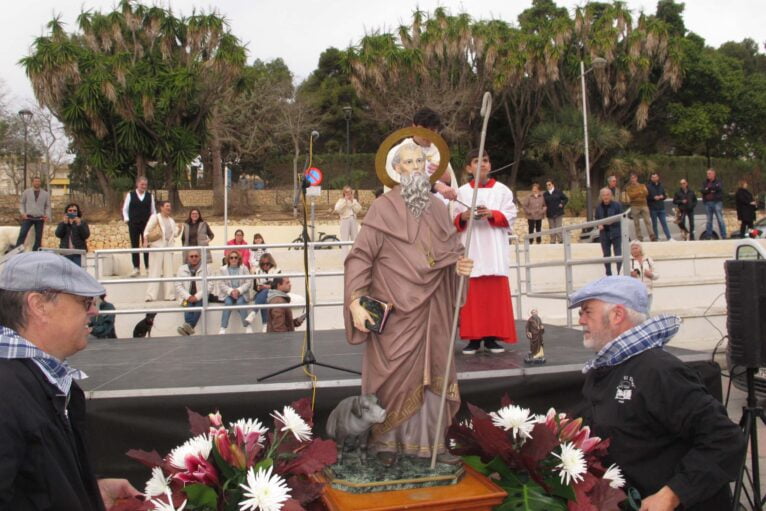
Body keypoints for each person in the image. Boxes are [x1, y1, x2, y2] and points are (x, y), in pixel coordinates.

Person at [345, 141, 473, 466]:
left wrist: (460, 268)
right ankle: (386, 443)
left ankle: (432, 444)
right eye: (409, 161)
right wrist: (355, 301)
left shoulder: (440, 208)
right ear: (397, 169)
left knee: (436, 373)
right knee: (393, 377)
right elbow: (360, 257)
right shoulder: (382, 208)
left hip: (435, 309)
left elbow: (452, 252)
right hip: (397, 311)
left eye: (421, 160)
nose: (416, 166)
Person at [569, 276, 745, 511]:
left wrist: (673, 493)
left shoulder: (660, 371)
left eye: (587, 311)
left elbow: (725, 439)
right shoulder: (605, 369)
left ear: (617, 315)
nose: (580, 319)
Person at [0, 252, 141, 509]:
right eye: (85, 302)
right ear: (39, 306)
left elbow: (33, 484)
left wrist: (88, 491)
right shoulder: (7, 392)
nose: (94, 311)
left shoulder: (47, 382)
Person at [453, 149, 518, 355]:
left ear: (490, 165)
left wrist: (492, 214)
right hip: (471, 248)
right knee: (471, 295)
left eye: (486, 161)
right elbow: (451, 219)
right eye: (476, 161)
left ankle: (491, 338)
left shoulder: (502, 191)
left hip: (494, 249)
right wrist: (463, 216)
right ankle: (473, 338)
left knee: (493, 297)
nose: (482, 164)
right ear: (468, 167)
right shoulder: (461, 192)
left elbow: (511, 215)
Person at [385, 107, 458, 205]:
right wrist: (434, 185)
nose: (427, 135)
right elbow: (397, 183)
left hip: (437, 213)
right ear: (413, 127)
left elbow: (453, 188)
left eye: (432, 130)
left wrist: (448, 179)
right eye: (423, 130)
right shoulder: (398, 152)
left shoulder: (439, 153)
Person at [143, 201, 178, 302]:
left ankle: (170, 295)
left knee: (169, 272)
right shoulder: (155, 217)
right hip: (157, 247)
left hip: (168, 248)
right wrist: (145, 241)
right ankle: (150, 296)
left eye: (170, 206)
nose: (169, 208)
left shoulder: (171, 220)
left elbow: (174, 234)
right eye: (167, 206)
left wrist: (179, 229)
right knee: (154, 271)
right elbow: (147, 230)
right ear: (161, 208)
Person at [122, 176, 155, 276]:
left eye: (145, 185)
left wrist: (153, 222)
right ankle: (136, 267)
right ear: (137, 184)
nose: (144, 186)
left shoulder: (150, 196)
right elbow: (125, 209)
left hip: (146, 224)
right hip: (134, 224)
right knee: (134, 245)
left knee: (146, 245)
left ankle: (148, 267)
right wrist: (127, 220)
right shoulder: (130, 195)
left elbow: (153, 211)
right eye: (142, 184)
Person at [175, 249, 211, 336]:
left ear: (200, 257)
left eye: (196, 256)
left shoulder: (207, 268)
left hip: (201, 296)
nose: (194, 258)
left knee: (198, 304)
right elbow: (178, 285)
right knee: (189, 306)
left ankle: (187, 328)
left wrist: (197, 297)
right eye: (191, 256)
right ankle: (189, 329)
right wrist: (188, 297)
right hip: (187, 297)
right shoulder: (181, 269)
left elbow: (210, 285)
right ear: (188, 258)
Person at [217, 250, 253, 334]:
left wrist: (238, 290)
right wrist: (231, 291)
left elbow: (249, 282)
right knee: (228, 303)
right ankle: (223, 328)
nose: (233, 259)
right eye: (231, 257)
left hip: (241, 293)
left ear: (239, 259)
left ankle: (247, 325)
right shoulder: (222, 269)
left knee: (240, 302)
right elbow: (221, 284)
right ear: (228, 259)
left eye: (235, 257)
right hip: (228, 293)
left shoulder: (244, 268)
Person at [15, 176, 52, 252]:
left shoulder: (45, 194)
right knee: (22, 233)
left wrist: (47, 215)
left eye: (38, 181)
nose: (37, 183)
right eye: (35, 181)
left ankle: (36, 251)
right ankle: (17, 250)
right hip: (28, 217)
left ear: (40, 182)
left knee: (38, 237)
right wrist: (23, 213)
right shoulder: (26, 192)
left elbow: (47, 206)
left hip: (40, 218)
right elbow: (21, 203)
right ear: (33, 182)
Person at [595, 188, 623, 276]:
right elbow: (596, 218)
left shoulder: (617, 205)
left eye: (607, 195)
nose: (606, 197)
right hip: (604, 234)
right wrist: (598, 225)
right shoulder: (598, 207)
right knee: (606, 254)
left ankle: (620, 273)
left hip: (616, 233)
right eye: (603, 195)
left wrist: (613, 221)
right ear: (601, 197)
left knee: (618, 254)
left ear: (611, 196)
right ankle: (608, 274)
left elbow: (622, 217)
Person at [249, 252, 281, 325]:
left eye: (267, 264)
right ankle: (265, 325)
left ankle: (254, 312)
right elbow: (254, 287)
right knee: (264, 297)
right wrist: (258, 287)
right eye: (263, 264)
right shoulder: (257, 271)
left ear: (271, 263)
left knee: (265, 295)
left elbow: (278, 284)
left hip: (274, 293)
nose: (265, 266)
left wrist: (267, 286)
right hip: (260, 294)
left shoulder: (277, 270)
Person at [54, 202, 90, 267]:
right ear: (66, 212)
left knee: (78, 273)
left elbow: (86, 235)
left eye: (74, 211)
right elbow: (58, 234)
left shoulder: (82, 223)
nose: (72, 212)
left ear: (77, 212)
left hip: (78, 253)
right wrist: (64, 224)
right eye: (70, 210)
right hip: (65, 253)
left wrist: (79, 225)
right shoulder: (62, 223)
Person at [624, 172, 656, 242]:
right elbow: (631, 196)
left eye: (634, 178)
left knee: (647, 221)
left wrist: (638, 194)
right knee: (636, 223)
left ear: (636, 178)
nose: (633, 180)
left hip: (644, 205)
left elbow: (646, 193)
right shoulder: (629, 188)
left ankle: (652, 236)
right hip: (634, 206)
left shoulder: (642, 185)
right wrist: (639, 193)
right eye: (631, 178)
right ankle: (640, 237)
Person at [628, 240, 658, 312]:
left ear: (640, 249)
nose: (634, 250)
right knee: (637, 313)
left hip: (647, 291)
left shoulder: (648, 260)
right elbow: (621, 276)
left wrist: (651, 275)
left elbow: (657, 275)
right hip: (634, 292)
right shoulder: (628, 261)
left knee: (646, 313)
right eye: (633, 249)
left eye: (636, 248)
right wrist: (630, 274)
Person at [334, 186, 363, 257]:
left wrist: (352, 202)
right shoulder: (341, 200)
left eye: (349, 192)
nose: (348, 193)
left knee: (355, 240)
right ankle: (345, 258)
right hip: (344, 220)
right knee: (345, 240)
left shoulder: (354, 201)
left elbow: (358, 209)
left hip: (353, 220)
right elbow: (337, 209)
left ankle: (355, 257)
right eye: (346, 192)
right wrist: (345, 201)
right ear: (344, 193)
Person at [700, 168, 726, 239]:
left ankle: (724, 235)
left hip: (717, 202)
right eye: (707, 174)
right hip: (708, 203)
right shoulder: (705, 182)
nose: (708, 175)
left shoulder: (718, 181)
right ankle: (709, 236)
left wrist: (708, 189)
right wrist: (711, 190)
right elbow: (702, 190)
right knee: (709, 220)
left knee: (720, 219)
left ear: (713, 174)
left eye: (709, 174)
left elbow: (718, 188)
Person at [646, 172, 672, 241]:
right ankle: (656, 238)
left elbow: (665, 195)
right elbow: (647, 198)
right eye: (653, 177)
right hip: (653, 208)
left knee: (664, 223)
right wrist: (653, 198)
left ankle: (669, 237)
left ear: (658, 177)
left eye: (655, 177)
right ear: (651, 178)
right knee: (654, 225)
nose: (654, 178)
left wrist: (662, 196)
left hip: (661, 208)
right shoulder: (648, 187)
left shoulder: (661, 186)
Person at [542, 179, 568, 243]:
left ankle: (560, 240)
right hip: (550, 213)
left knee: (558, 226)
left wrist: (562, 204)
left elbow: (566, 199)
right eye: (547, 185)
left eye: (549, 184)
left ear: (553, 185)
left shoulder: (558, 191)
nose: (548, 186)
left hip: (558, 212)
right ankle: (552, 240)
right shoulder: (545, 194)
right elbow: (543, 203)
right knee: (551, 227)